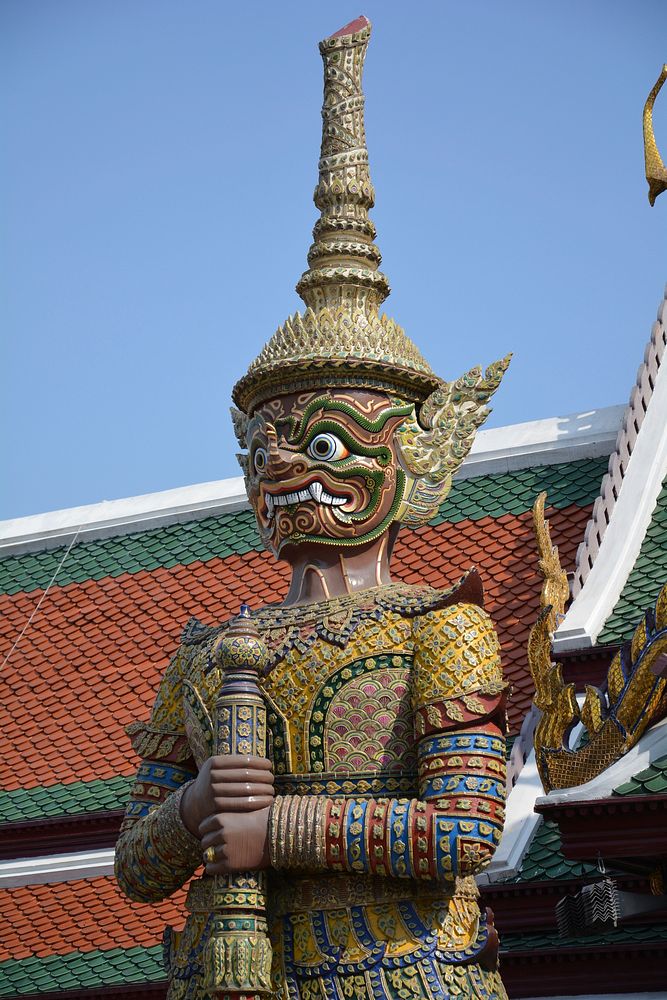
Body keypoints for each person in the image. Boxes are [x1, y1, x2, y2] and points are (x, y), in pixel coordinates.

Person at [116, 17, 510, 1000]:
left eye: (324, 441)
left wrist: (273, 828)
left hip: (404, 973)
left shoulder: (444, 627)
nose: (287, 461)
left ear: (417, 454)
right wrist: (199, 800)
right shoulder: (206, 655)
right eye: (266, 443)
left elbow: (466, 827)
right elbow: (134, 865)